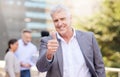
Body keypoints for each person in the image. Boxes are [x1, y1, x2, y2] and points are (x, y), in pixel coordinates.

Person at [36, 4, 106, 77]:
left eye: (62, 19)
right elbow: (41, 68)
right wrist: (49, 53)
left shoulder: (89, 37)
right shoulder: (47, 41)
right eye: (56, 20)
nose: (59, 24)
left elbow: (99, 66)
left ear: (70, 18)